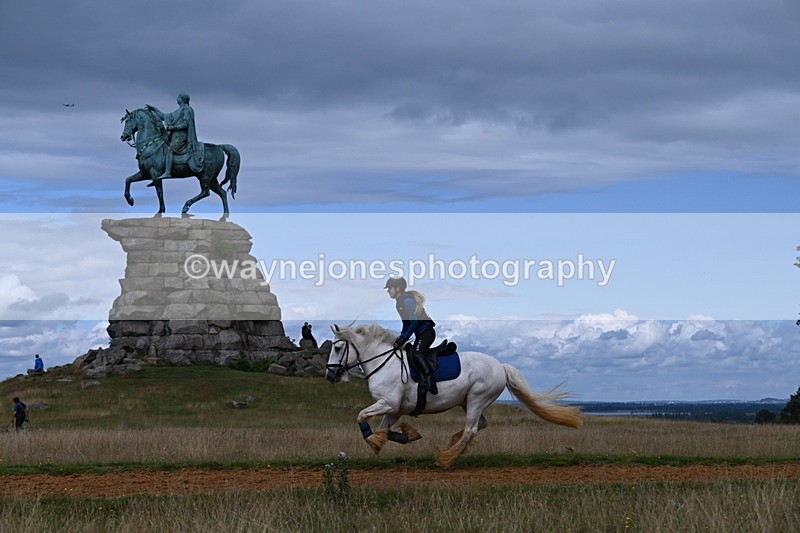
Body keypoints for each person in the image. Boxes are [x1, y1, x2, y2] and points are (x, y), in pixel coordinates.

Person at [385, 276, 438, 394]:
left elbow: (415, 323)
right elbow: (406, 323)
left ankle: (430, 381)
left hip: (427, 333)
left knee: (417, 353)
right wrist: (400, 337)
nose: (388, 291)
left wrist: (404, 338)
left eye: (390, 288)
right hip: (420, 334)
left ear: (398, 288)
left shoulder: (407, 301)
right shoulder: (398, 303)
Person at [145, 92, 204, 183]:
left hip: (181, 136)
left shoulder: (187, 110)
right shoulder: (178, 111)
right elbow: (164, 116)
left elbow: (185, 124)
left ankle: (168, 172)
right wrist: (154, 109)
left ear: (183, 99)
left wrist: (172, 127)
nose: (177, 99)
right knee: (162, 147)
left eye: (178, 97)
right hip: (175, 135)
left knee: (169, 149)